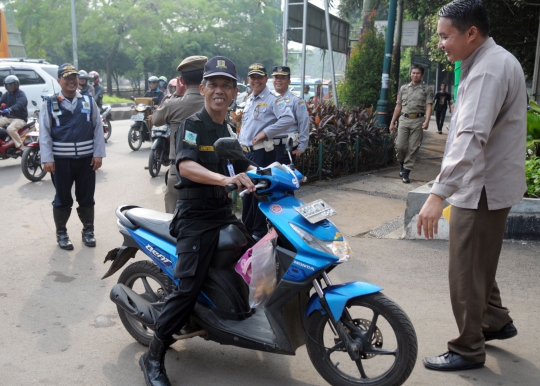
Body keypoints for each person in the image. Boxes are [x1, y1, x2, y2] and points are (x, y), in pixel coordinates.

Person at [418, 0, 526, 372]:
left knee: (465, 269)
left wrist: (437, 194)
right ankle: (495, 321)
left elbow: (469, 136)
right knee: (481, 262)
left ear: (471, 33)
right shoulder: (492, 61)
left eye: (445, 36)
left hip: (479, 187)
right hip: (489, 183)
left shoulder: (487, 71)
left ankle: (467, 348)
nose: (442, 44)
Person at [139, 56, 256, 386]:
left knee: (251, 254)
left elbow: (242, 161)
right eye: (214, 84)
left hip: (220, 213)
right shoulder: (193, 124)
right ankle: (152, 358)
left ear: (234, 91)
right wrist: (224, 181)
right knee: (186, 287)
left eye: (227, 85)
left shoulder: (226, 126)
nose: (220, 90)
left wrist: (275, 174)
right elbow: (186, 166)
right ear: (203, 88)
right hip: (194, 218)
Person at [39, 63, 106, 250]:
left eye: (74, 77)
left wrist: (98, 154)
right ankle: (61, 233)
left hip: (86, 160)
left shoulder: (88, 100)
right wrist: (47, 158)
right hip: (61, 161)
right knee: (62, 198)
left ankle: (88, 231)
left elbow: (97, 128)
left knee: (86, 197)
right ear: (59, 80)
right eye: (66, 78)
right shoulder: (50, 102)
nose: (71, 81)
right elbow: (44, 132)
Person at [238, 63, 295, 240]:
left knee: (258, 195)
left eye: (259, 77)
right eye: (252, 77)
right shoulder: (249, 100)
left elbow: (288, 118)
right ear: (248, 79)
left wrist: (265, 133)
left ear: (265, 79)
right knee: (248, 194)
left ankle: (258, 234)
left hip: (261, 154)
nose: (256, 80)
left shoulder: (273, 99)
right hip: (247, 153)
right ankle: (247, 231)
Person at [153, 55, 207, 213]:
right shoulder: (213, 104)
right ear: (205, 78)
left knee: (173, 220)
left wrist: (176, 94)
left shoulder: (173, 104)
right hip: (209, 171)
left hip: (178, 171)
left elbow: (155, 120)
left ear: (181, 81)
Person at [389, 65, 434, 183]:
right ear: (410, 74)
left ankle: (406, 172)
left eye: (418, 73)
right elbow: (398, 106)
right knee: (400, 146)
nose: (415, 75)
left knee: (413, 147)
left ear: (422, 75)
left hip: (418, 121)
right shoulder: (403, 88)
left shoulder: (427, 89)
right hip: (404, 119)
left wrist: (427, 120)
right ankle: (402, 164)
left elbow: (429, 106)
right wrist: (392, 122)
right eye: (413, 73)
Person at [271, 66, 310, 164]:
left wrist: (301, 147)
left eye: (283, 78)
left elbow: (304, 122)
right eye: (276, 77)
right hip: (267, 147)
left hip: (287, 147)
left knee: (285, 177)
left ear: (289, 81)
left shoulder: (296, 100)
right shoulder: (267, 98)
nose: (278, 80)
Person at [0, 75, 28, 155]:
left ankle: (21, 146)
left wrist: (9, 109)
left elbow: (19, 104)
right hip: (8, 118)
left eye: (12, 84)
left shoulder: (21, 94)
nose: (10, 86)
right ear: (5, 86)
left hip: (20, 119)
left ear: (16, 84)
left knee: (10, 129)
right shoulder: (6, 95)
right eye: (8, 85)